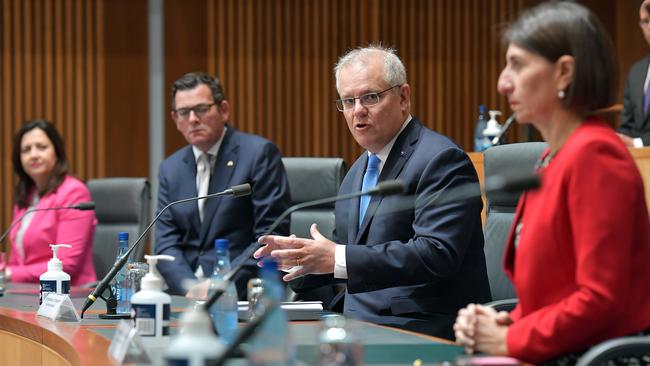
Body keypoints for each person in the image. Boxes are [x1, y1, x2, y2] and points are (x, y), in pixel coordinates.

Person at [454, 2, 650, 364]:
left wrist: (512, 337)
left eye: (518, 64)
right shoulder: (553, 159)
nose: (502, 82)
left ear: (564, 72)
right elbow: (555, 295)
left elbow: (600, 301)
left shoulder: (596, 158)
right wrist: (503, 320)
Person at [255, 45, 490, 339]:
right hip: (355, 324)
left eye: (370, 97)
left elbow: (436, 254)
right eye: (348, 101)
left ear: (403, 97)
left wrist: (337, 257)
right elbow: (353, 258)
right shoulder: (357, 172)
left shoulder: (440, 159)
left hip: (420, 328)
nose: (358, 111)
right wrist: (303, 261)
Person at [154, 72, 291, 297]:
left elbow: (269, 235)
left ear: (224, 110)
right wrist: (189, 287)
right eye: (184, 112)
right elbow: (166, 243)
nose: (192, 119)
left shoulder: (258, 155)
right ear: (175, 119)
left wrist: (220, 285)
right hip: (185, 295)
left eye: (201, 109)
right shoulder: (171, 168)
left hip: (242, 291)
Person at [4, 120, 97, 285]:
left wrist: (10, 273)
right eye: (26, 149)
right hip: (26, 291)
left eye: (41, 147)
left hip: (69, 295)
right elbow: (17, 259)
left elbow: (66, 263)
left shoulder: (74, 192)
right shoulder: (26, 195)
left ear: (57, 152)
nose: (33, 154)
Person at [618, 0, 650, 147]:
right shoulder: (636, 71)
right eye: (645, 21)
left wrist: (637, 143)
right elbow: (626, 125)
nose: (649, 26)